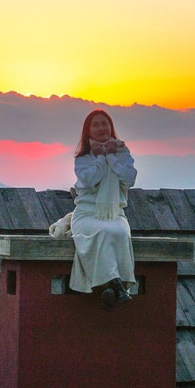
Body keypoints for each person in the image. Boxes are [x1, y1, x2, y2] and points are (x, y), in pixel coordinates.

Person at [70, 109, 138, 310]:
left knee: (119, 231)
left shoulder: (122, 153)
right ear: (88, 131)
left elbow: (129, 178)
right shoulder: (82, 158)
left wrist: (111, 157)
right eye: (96, 124)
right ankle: (117, 285)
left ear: (111, 127)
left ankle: (112, 286)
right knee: (103, 231)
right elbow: (89, 181)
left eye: (104, 123)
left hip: (115, 213)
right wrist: (100, 158)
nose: (101, 128)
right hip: (87, 214)